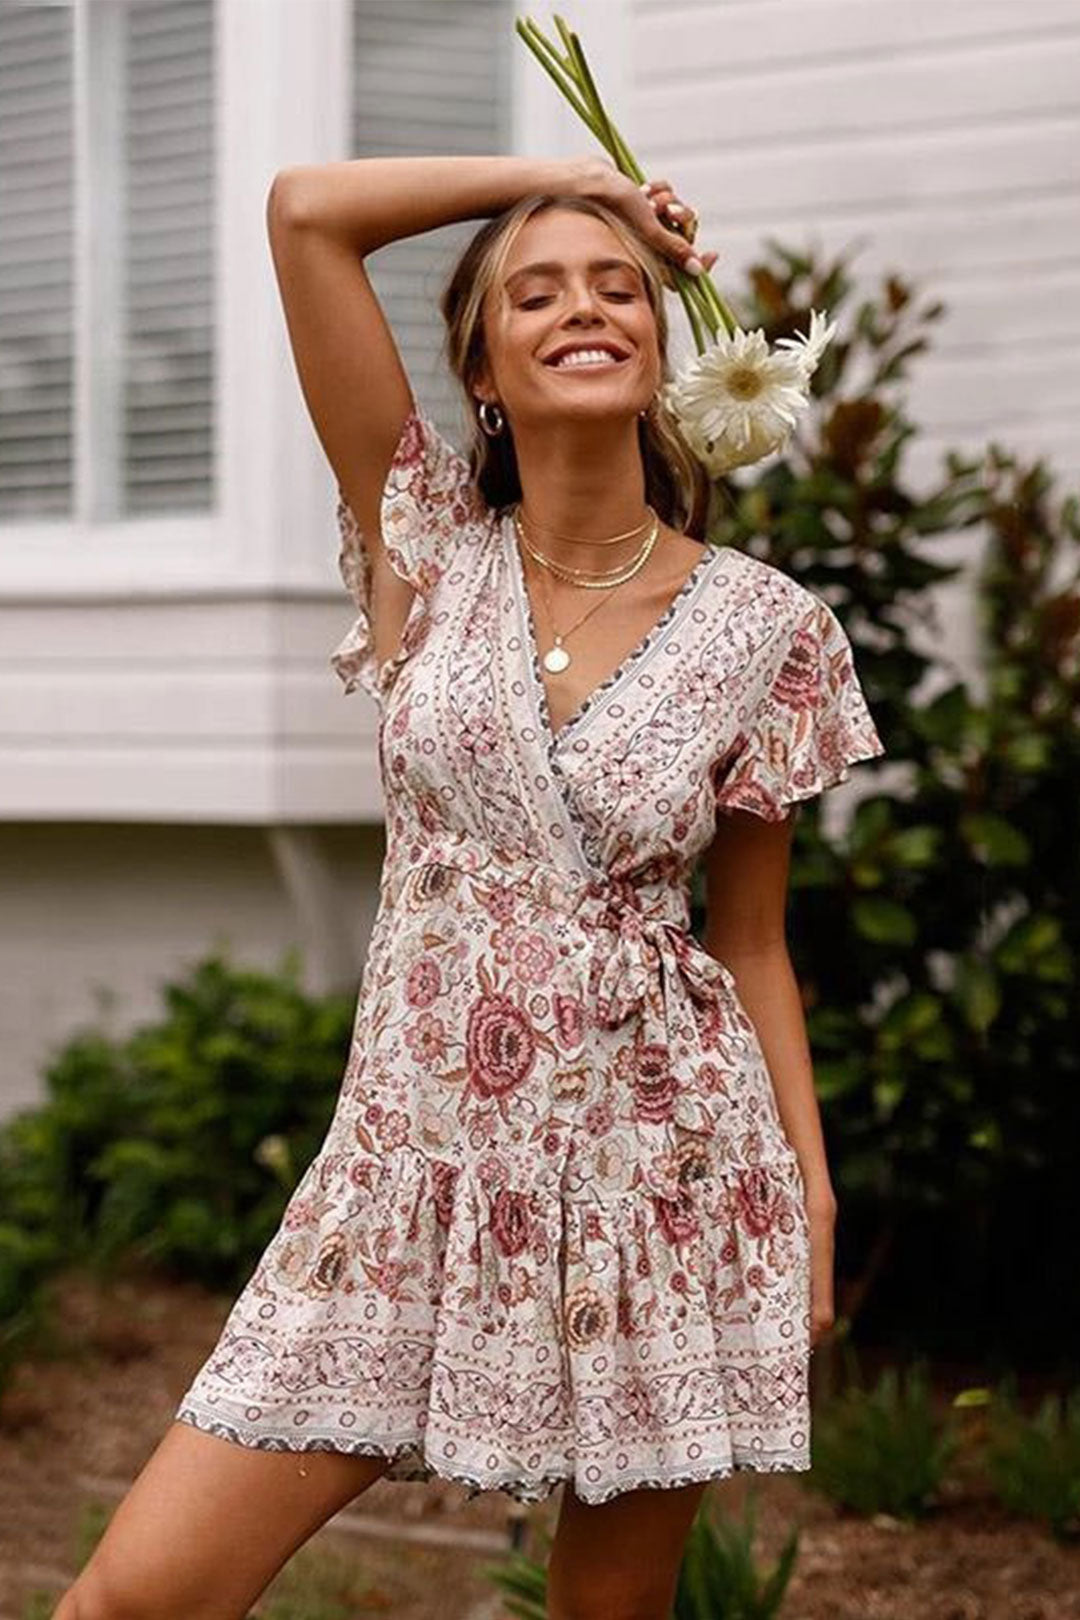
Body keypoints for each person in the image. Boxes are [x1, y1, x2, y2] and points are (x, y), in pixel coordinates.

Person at [53, 154, 884, 1620]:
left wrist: (807, 1197)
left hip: (662, 1187)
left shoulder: (772, 628)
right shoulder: (425, 546)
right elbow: (308, 213)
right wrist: (580, 181)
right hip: (400, 1175)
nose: (586, 308)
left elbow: (753, 945)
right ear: (482, 368)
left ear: (661, 345)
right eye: (539, 290)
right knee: (138, 1596)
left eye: (620, 286)